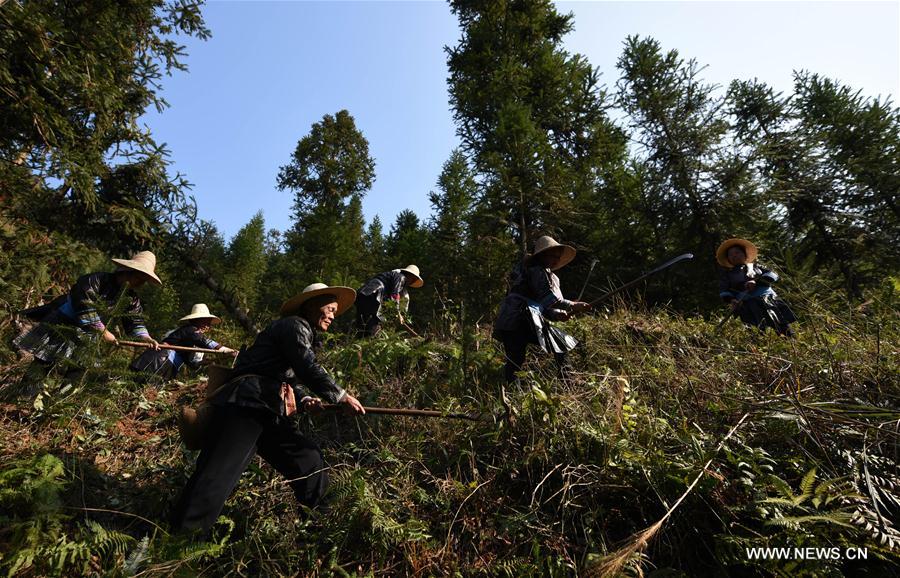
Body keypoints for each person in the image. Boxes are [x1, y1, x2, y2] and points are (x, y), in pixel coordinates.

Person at [170, 283, 366, 534]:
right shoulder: (294, 326)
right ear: (311, 306)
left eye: (335, 311)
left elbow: (291, 379)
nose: (331, 316)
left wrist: (305, 400)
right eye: (329, 309)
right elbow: (306, 367)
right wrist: (341, 396)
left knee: (308, 459)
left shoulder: (301, 334)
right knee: (218, 473)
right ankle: (182, 539)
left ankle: (323, 528)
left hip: (269, 410)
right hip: (246, 404)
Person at [13, 251, 162, 380]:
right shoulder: (95, 280)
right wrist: (103, 331)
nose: (140, 284)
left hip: (89, 335)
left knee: (79, 370)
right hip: (64, 325)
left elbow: (134, 320)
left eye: (143, 281)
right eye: (139, 278)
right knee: (44, 363)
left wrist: (145, 338)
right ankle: (22, 400)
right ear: (127, 271)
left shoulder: (131, 298)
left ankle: (63, 405)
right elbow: (84, 304)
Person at [493, 236, 591, 384]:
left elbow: (544, 307)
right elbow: (548, 299)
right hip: (518, 319)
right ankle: (567, 379)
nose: (556, 260)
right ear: (543, 255)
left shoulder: (545, 275)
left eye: (558, 257)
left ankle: (510, 388)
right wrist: (571, 305)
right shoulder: (535, 271)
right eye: (553, 256)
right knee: (519, 357)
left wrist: (558, 315)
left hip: (516, 321)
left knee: (517, 358)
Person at [129, 304, 237, 382]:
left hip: (168, 367)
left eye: (208, 323)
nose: (207, 326)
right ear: (195, 320)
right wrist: (228, 351)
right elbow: (207, 343)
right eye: (204, 321)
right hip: (158, 361)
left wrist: (209, 361)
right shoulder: (190, 330)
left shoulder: (193, 339)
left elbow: (192, 364)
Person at [717, 238, 796, 336]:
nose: (734, 256)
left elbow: (772, 275)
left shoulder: (756, 267)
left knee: (778, 322)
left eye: (737, 252)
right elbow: (724, 290)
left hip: (767, 300)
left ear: (744, 254)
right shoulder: (727, 275)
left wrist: (756, 282)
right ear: (728, 259)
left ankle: (789, 339)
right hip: (746, 304)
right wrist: (732, 300)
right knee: (756, 330)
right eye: (730, 254)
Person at [354, 265, 424, 336]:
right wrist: (398, 313)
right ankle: (372, 342)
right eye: (413, 280)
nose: (411, 282)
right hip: (374, 295)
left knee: (363, 324)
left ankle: (360, 343)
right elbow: (394, 295)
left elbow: (388, 300)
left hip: (363, 294)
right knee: (374, 322)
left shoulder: (391, 277)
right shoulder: (401, 277)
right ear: (410, 275)